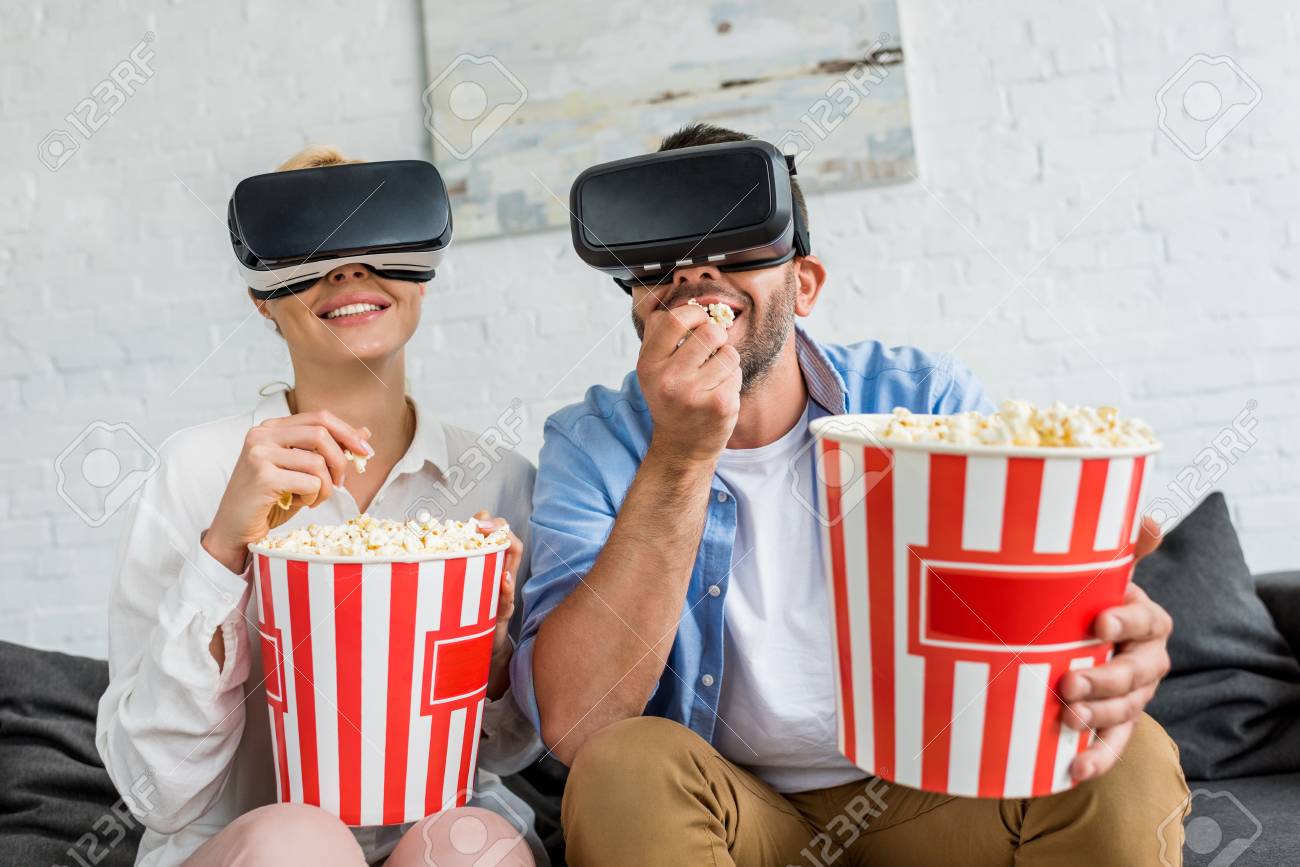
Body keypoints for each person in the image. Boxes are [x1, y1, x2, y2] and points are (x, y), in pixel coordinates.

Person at [514, 125, 1189, 866]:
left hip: (933, 794)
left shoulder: (925, 400)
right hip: (734, 811)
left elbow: (1020, 621)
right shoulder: (591, 443)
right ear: (638, 302)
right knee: (621, 766)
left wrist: (1104, 637)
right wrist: (679, 455)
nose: (694, 277)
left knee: (1127, 758)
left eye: (733, 247)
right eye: (661, 264)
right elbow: (579, 725)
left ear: (804, 283)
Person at [97, 146, 541, 866]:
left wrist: (486, 648)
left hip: (429, 832)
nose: (348, 270)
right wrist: (221, 552)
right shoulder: (196, 469)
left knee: (479, 845)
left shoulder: (499, 481)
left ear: (423, 276)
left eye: (378, 241)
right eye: (311, 249)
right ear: (262, 298)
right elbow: (154, 791)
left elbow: (514, 750)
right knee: (300, 841)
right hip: (246, 840)